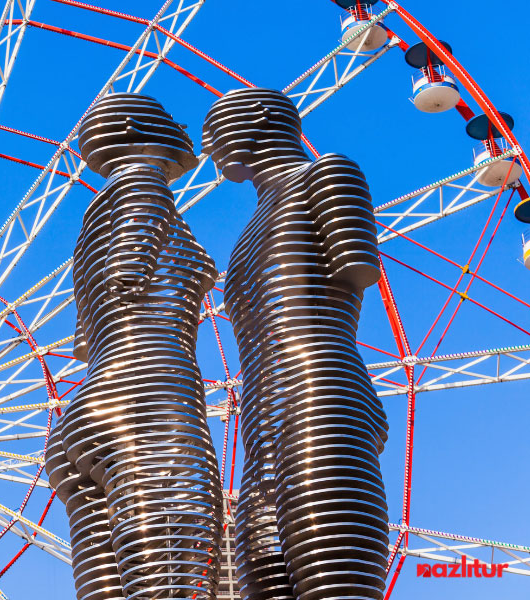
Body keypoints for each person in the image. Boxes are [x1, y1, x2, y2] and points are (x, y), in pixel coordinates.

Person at [202, 88, 389, 600]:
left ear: (262, 117)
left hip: (320, 392)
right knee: (260, 580)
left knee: (335, 579)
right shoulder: (243, 237)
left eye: (218, 125)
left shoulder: (326, 174)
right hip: (262, 425)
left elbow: (357, 267)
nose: (206, 142)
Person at [45, 92, 223, 600]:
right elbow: (129, 270)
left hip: (83, 414)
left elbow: (84, 338)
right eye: (169, 117)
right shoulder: (145, 188)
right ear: (131, 127)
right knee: (182, 564)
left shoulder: (90, 221)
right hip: (148, 401)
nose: (184, 129)